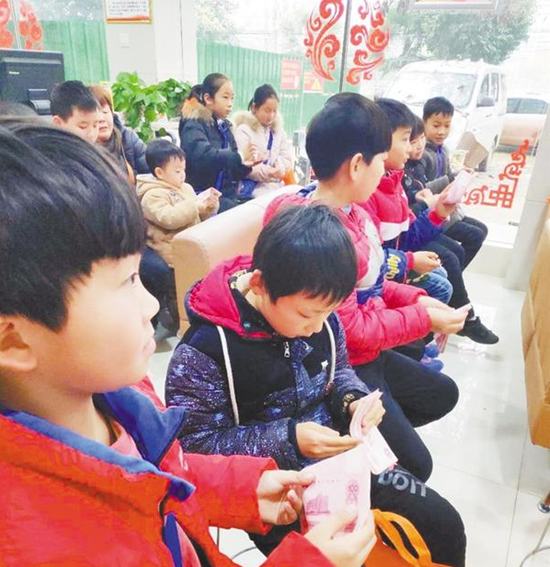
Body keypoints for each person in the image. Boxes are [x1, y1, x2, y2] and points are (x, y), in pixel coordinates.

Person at [0, 118, 376, 567]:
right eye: (126, 282)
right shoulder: (38, 543)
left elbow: (158, 474)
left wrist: (237, 488)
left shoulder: (121, 395)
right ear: (14, 341)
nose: (151, 306)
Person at [166, 204, 466, 566]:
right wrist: (289, 438)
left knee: (444, 526)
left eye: (329, 313)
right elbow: (194, 448)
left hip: (342, 458)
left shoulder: (319, 310)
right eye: (307, 315)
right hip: (276, 489)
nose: (317, 327)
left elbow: (339, 370)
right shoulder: (204, 352)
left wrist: (352, 399)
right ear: (259, 285)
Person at [265, 93, 466, 483]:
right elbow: (349, 331)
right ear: (358, 164)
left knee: (443, 393)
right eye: (381, 159)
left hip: (370, 351)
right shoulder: (318, 236)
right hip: (346, 365)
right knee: (418, 465)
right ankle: (361, 453)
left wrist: (420, 300)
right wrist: (422, 319)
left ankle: (375, 444)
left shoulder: (356, 213)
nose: (386, 168)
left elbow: (375, 282)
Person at [137, 138, 220, 327]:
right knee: (178, 292)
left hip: (191, 247)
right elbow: (168, 217)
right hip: (170, 254)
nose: (183, 175)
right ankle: (179, 320)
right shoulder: (152, 195)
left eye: (183, 169)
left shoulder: (185, 188)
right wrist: (195, 206)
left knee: (197, 284)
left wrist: (208, 207)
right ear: (159, 172)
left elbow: (196, 216)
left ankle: (197, 313)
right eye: (177, 171)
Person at [421, 97, 490, 269]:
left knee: (482, 230)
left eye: (447, 126)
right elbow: (423, 190)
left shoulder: (443, 150)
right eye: (436, 125)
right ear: (424, 123)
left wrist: (461, 175)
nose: (441, 131)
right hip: (433, 214)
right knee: (474, 235)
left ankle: (455, 274)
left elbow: (447, 176)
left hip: (449, 209)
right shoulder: (422, 154)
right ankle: (453, 275)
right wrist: (451, 180)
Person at [179, 73, 261, 212]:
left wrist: (244, 164)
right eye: (225, 97)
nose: (230, 103)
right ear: (208, 98)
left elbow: (232, 172)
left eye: (232, 98)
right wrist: (240, 156)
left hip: (225, 198)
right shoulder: (193, 124)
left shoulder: (224, 127)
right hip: (203, 200)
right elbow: (204, 157)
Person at [233, 84, 294, 199]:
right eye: (267, 110)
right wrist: (269, 172)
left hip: (275, 186)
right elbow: (245, 165)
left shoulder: (279, 132)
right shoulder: (244, 131)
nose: (271, 115)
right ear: (254, 108)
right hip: (253, 190)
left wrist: (280, 166)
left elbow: (287, 158)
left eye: (275, 111)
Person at [90, 85, 136, 182]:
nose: (101, 119)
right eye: (96, 114)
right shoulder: (83, 149)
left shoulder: (128, 138)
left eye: (105, 112)